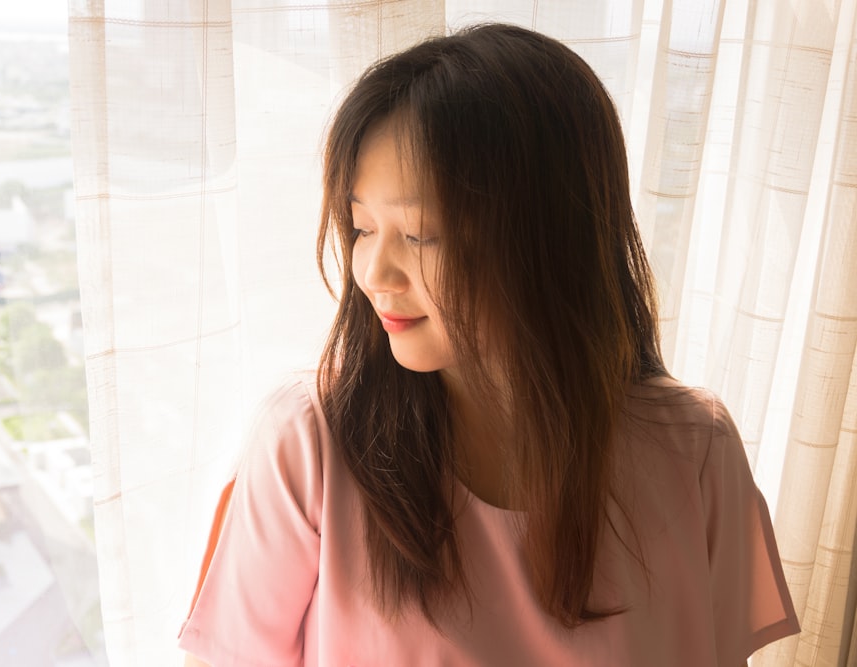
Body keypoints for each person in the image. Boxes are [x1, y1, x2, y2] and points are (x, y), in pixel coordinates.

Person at [178, 23, 799, 666]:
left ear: (549, 236)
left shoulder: (695, 449)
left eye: (419, 235)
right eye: (362, 227)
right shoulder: (310, 445)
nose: (375, 275)